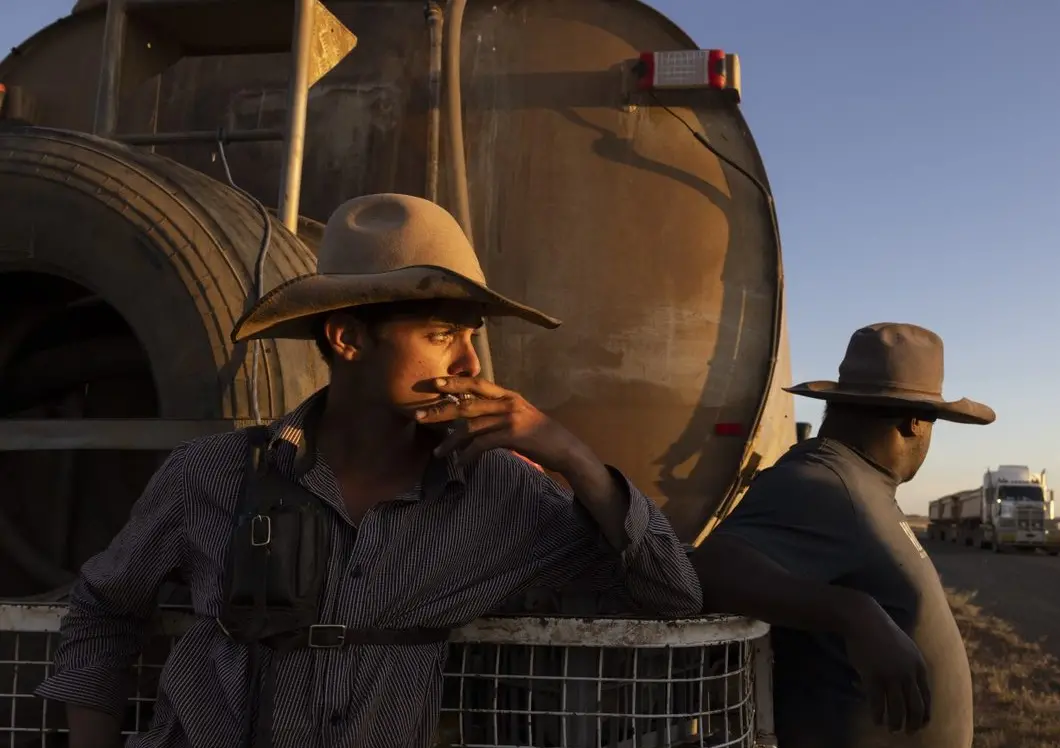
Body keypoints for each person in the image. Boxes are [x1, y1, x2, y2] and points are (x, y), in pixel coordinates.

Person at [34, 193, 703, 748]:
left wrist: (575, 459)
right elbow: (104, 609)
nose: (471, 366)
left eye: (473, 338)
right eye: (444, 337)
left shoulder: (497, 491)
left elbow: (671, 595)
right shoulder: (213, 473)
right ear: (349, 339)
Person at [692, 322, 994, 748]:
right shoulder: (821, 481)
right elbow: (710, 570)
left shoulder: (862, 483)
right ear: (916, 422)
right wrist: (853, 614)